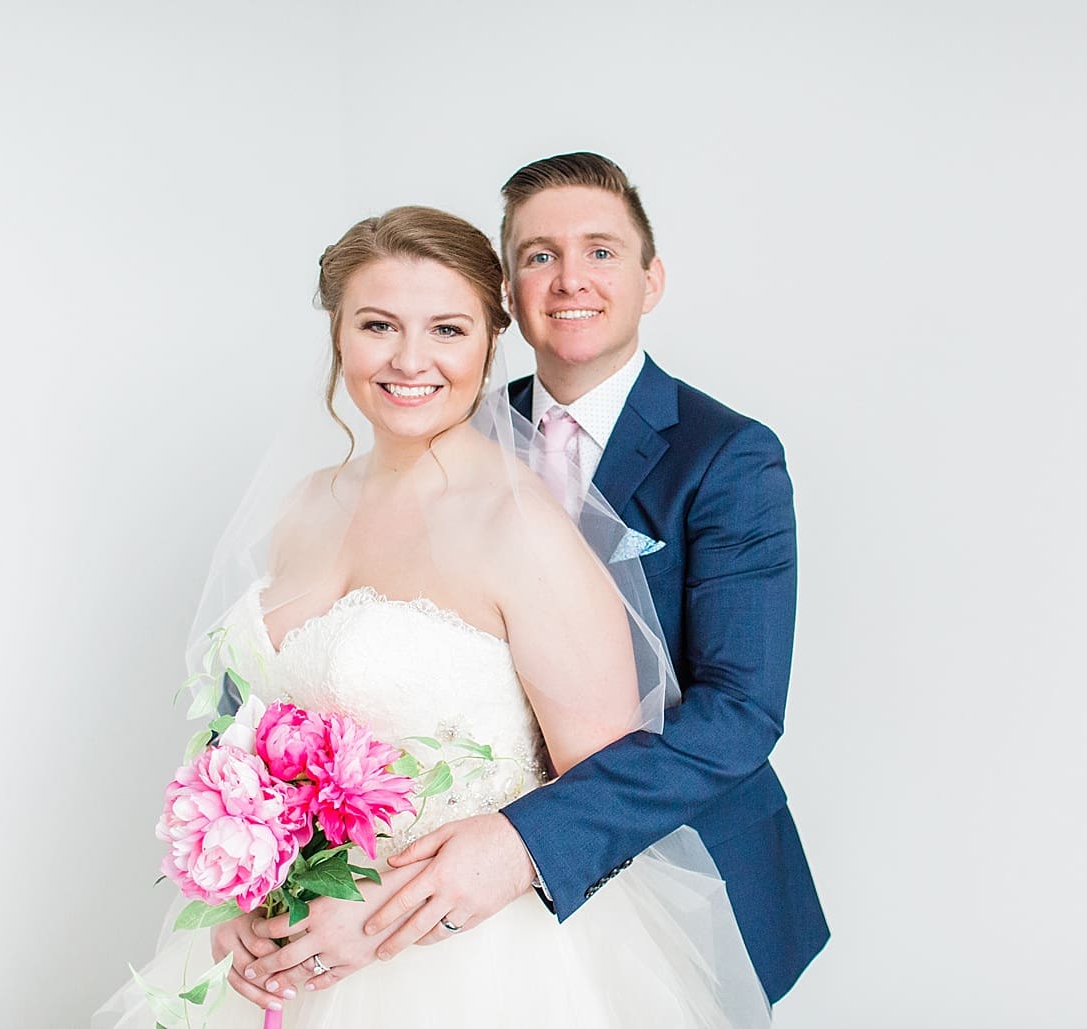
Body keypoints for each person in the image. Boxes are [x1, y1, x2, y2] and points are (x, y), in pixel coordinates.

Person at [94, 205, 769, 1027]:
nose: (410, 360)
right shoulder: (305, 504)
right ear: (338, 335)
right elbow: (247, 724)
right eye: (377, 324)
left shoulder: (521, 522)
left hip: (470, 962)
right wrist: (245, 880)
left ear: (491, 339)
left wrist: (381, 916)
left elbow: (603, 780)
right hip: (277, 948)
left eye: (446, 328)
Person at [261, 153, 829, 1003]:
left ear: (652, 278)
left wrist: (521, 841)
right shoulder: (438, 420)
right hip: (400, 882)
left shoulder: (729, 456)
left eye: (600, 251)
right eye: (538, 255)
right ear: (506, 295)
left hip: (671, 866)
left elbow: (739, 713)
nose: (570, 280)